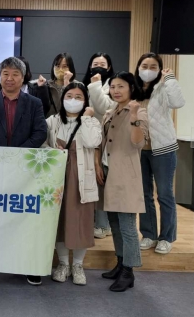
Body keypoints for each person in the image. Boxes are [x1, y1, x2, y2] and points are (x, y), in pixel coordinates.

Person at [0, 56, 48, 285]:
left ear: (23, 77)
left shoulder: (34, 103)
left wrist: (19, 155)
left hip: (23, 169)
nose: (10, 78)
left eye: (15, 74)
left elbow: (40, 133)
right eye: (5, 73)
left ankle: (28, 264)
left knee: (23, 218)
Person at [46, 82, 101, 286]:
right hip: (57, 177)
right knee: (60, 221)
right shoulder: (52, 121)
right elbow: (42, 143)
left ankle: (78, 264)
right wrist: (52, 151)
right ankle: (63, 264)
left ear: (85, 101)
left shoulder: (92, 122)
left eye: (78, 97)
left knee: (81, 221)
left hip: (82, 178)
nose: (73, 100)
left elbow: (92, 142)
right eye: (69, 96)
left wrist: (86, 118)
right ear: (62, 99)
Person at [100, 72, 148, 292]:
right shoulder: (110, 112)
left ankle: (129, 271)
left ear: (131, 88)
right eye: (112, 87)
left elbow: (138, 143)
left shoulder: (139, 111)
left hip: (126, 175)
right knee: (115, 224)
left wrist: (135, 116)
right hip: (109, 173)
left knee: (127, 226)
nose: (116, 91)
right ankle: (120, 263)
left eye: (121, 86)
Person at [135, 53, 185, 255]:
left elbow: (178, 102)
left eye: (153, 66)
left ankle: (166, 237)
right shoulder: (133, 89)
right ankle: (149, 234)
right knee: (144, 194)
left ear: (159, 69)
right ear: (138, 68)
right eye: (144, 66)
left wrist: (170, 79)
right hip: (139, 150)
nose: (148, 70)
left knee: (164, 194)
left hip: (163, 149)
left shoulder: (164, 88)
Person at [84, 52, 115, 240]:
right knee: (90, 181)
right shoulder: (85, 84)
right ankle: (97, 222)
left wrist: (96, 85)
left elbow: (104, 108)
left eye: (102, 64)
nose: (98, 67)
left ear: (109, 67)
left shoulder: (112, 85)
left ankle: (103, 225)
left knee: (101, 181)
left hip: (104, 140)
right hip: (86, 137)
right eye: (95, 63)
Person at [43, 53, 76, 118]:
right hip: (50, 122)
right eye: (57, 66)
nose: (60, 69)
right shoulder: (47, 85)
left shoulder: (77, 86)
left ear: (70, 68)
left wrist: (66, 84)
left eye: (64, 66)